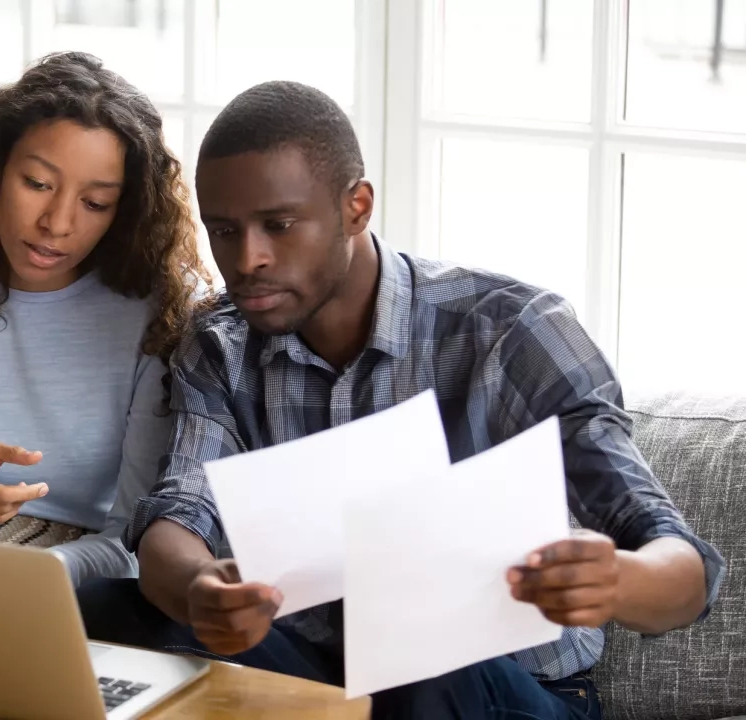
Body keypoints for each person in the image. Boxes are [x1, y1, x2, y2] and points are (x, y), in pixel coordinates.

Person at [75, 80, 725, 719]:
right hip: (322, 674)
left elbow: (684, 567)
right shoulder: (220, 342)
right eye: (224, 231)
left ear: (356, 206)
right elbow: (179, 513)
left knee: (424, 670)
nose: (248, 259)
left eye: (279, 225)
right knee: (101, 610)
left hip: (501, 691)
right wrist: (199, 592)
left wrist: (618, 580)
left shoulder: (510, 332)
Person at [0, 51, 210, 587]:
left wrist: (33, 576)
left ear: (124, 212)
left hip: (86, 578)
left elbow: (135, 539)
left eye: (95, 203)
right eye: (37, 184)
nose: (57, 223)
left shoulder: (161, 305)